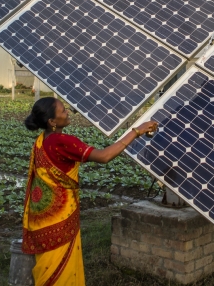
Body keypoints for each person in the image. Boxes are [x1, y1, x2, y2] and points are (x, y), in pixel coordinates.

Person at [22, 97, 158, 286]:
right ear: (52, 122)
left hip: (42, 220)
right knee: (61, 276)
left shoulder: (41, 141)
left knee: (48, 271)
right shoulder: (62, 142)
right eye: (62, 111)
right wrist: (136, 131)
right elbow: (104, 156)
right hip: (60, 222)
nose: (67, 112)